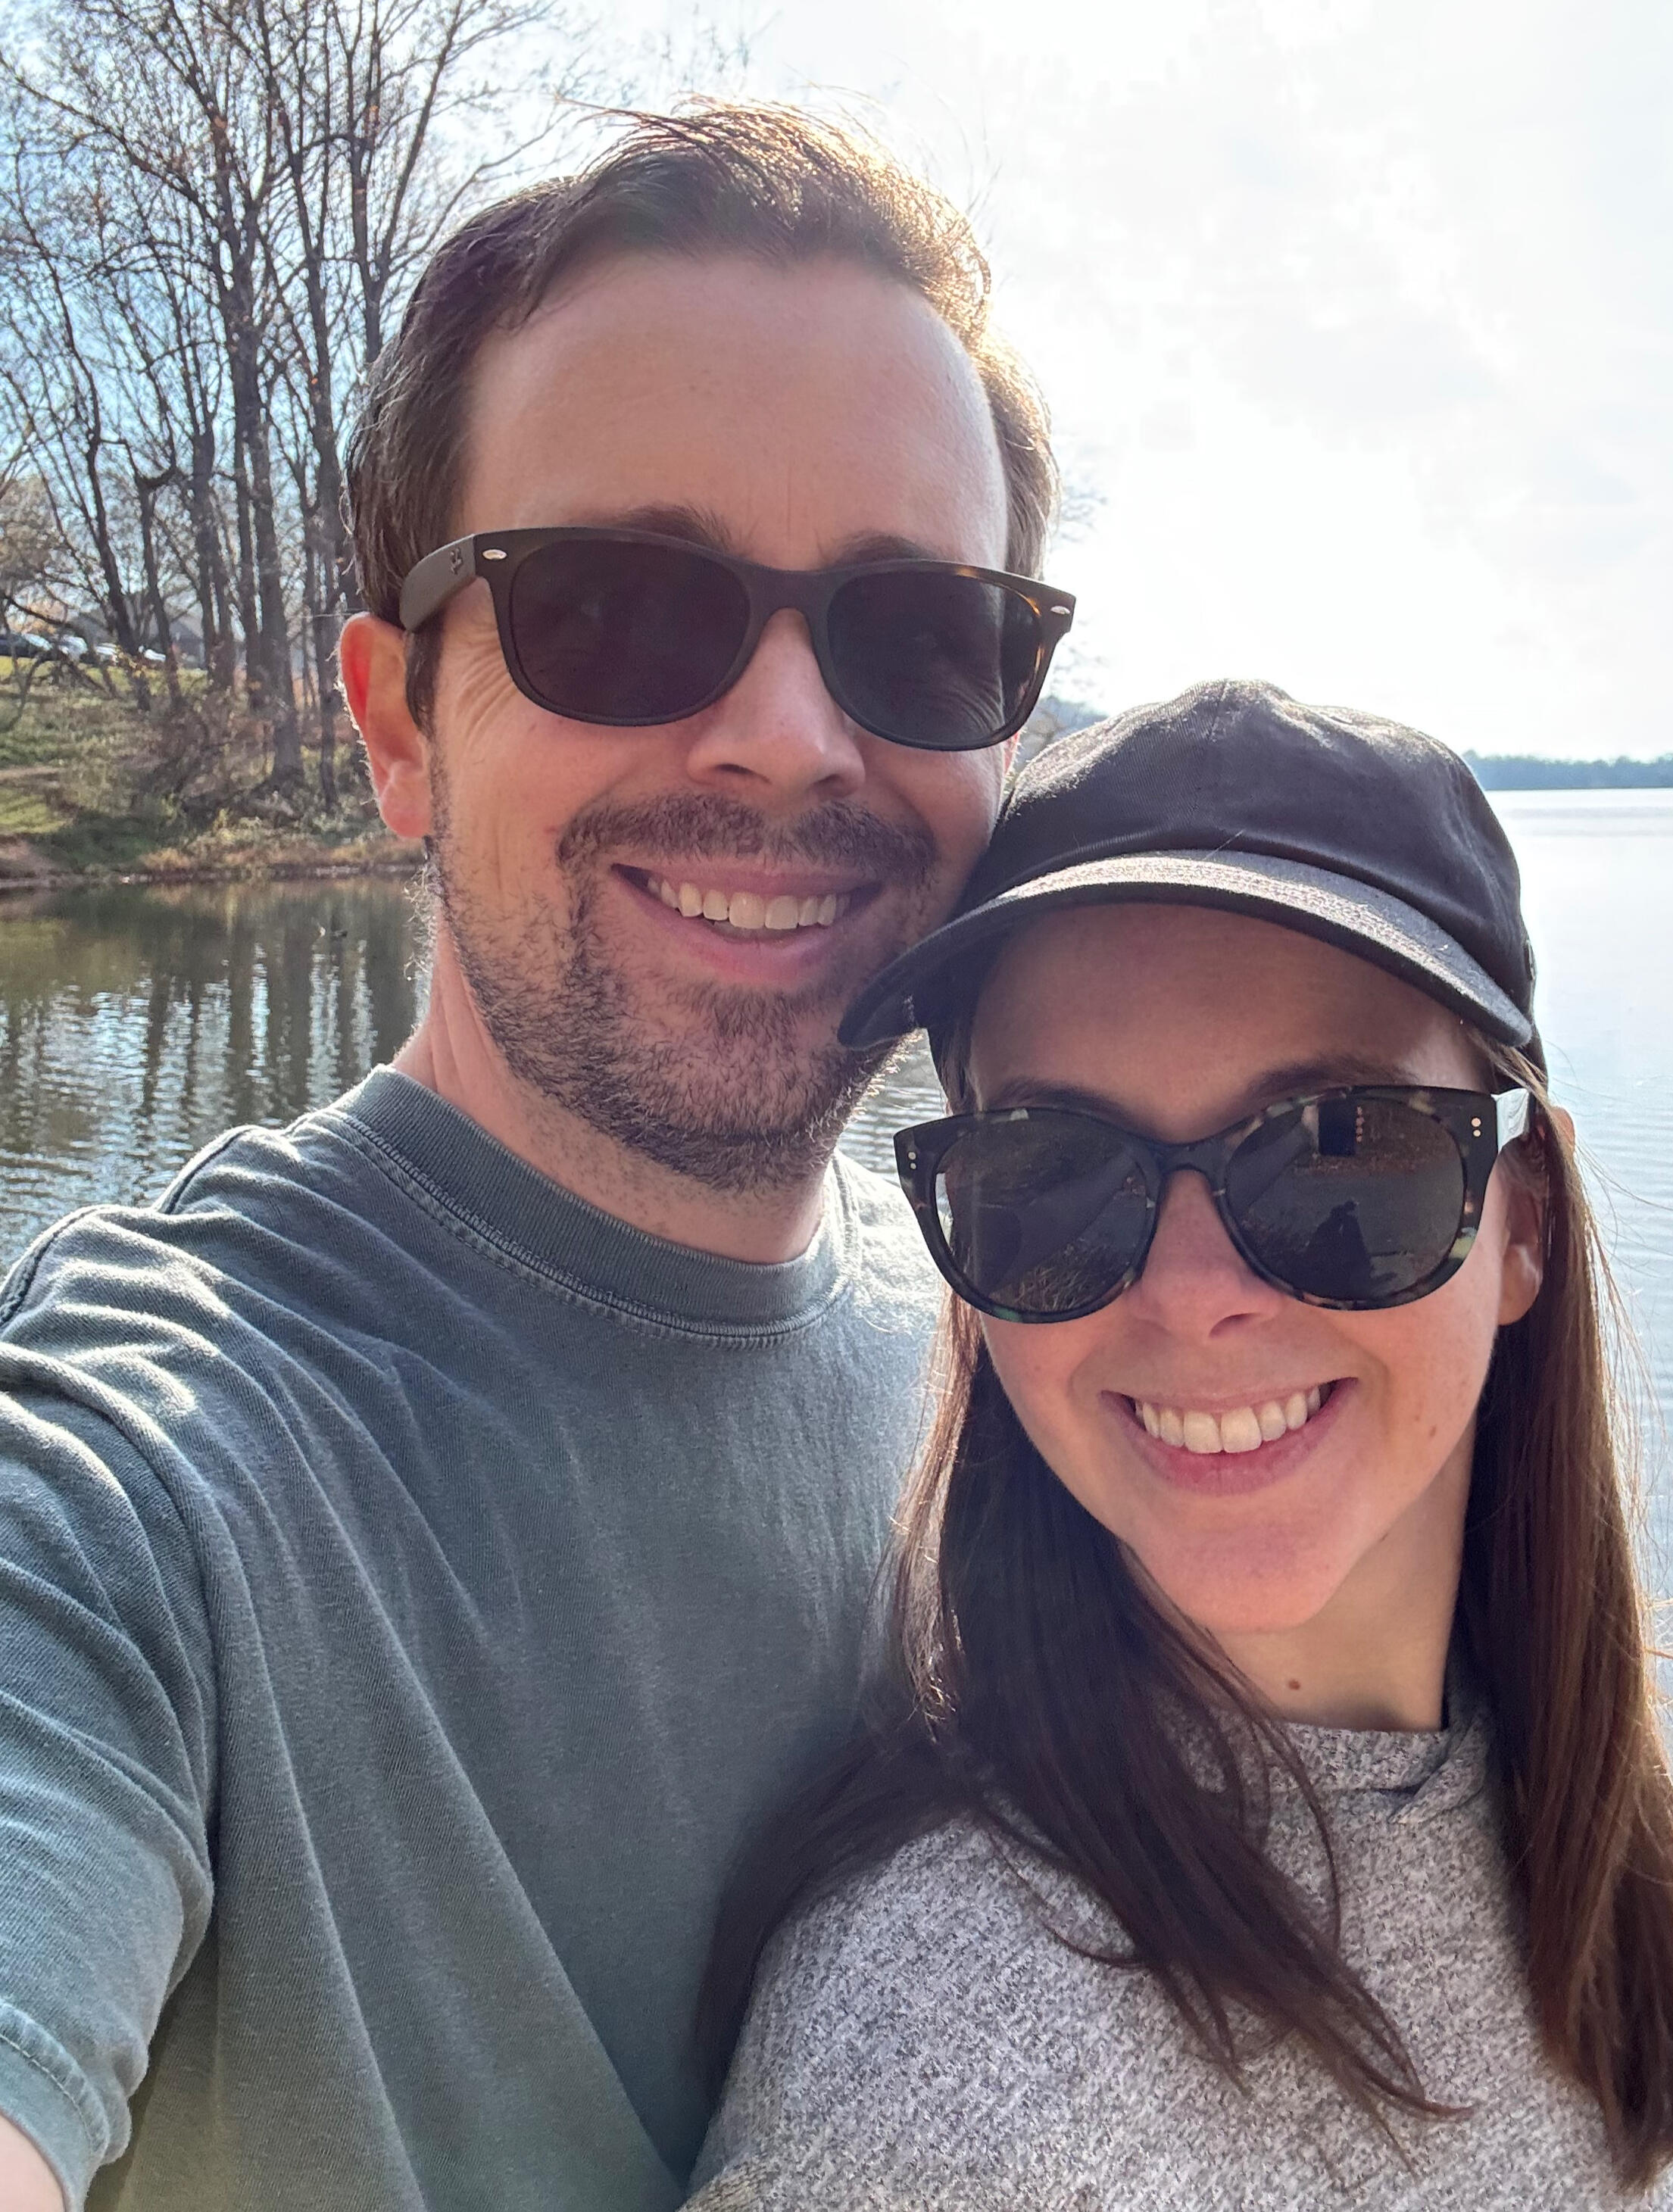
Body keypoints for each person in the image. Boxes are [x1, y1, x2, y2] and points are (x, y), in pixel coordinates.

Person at [0, 105, 1072, 2210]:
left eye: (917, 630)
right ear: (395, 725)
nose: (785, 733)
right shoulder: (147, 1466)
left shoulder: (1051, 1363)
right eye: (615, 608)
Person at [689, 680, 1673, 2210]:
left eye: (1339, 1152)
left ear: (1522, 1228)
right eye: (1049, 1171)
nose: (1190, 1295)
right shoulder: (934, 2069)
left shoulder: (1562, 1842)